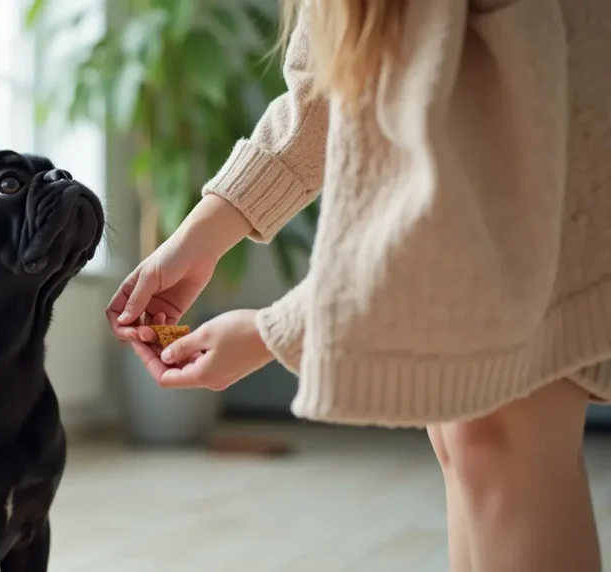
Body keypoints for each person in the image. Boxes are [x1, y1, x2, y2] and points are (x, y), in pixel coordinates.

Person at [106, 1, 611, 571]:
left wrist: (274, 333)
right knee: (469, 443)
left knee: (500, 443)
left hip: (536, 188)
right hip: (497, 195)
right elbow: (335, 75)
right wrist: (201, 233)